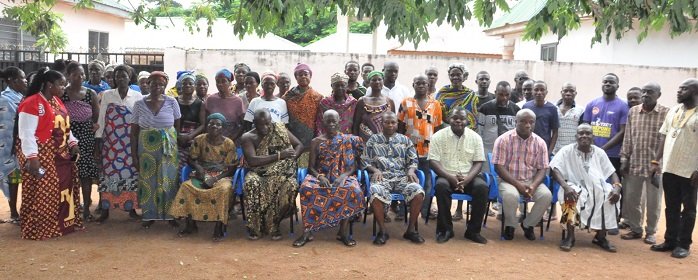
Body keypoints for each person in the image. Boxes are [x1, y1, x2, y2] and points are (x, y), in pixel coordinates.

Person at [16, 67, 82, 240]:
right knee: (44, 192)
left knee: (61, 189)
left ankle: (60, 225)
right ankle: (40, 229)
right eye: (61, 84)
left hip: (60, 155)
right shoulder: (31, 103)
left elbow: (64, 126)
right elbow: (26, 134)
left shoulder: (57, 101)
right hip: (40, 155)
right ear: (49, 84)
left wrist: (72, 142)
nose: (63, 87)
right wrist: (32, 159)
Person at [293, 110, 365, 247]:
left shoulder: (347, 140)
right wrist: (320, 177)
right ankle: (307, 232)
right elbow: (311, 168)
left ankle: (342, 232)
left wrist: (342, 177)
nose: (331, 124)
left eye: (334, 121)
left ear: (339, 122)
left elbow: (352, 167)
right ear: (323, 122)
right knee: (306, 189)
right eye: (328, 121)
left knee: (353, 190)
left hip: (343, 176)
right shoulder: (316, 141)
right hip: (321, 176)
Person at [550, 124, 622, 252]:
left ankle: (600, 237)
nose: (584, 135)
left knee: (609, 195)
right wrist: (565, 187)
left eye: (588, 133)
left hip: (597, 186)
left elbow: (612, 173)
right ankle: (570, 237)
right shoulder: (566, 150)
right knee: (570, 196)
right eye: (581, 133)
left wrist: (617, 187)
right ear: (576, 136)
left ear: (592, 136)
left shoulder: (599, 152)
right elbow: (555, 169)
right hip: (572, 185)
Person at [170, 113, 238, 241]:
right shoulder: (199, 139)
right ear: (207, 126)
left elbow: (232, 169)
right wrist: (199, 168)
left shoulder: (229, 143)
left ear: (223, 127)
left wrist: (215, 179)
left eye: (218, 124)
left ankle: (219, 225)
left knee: (223, 190)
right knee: (186, 187)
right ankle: (190, 224)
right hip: (202, 173)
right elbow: (191, 159)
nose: (214, 126)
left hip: (222, 175)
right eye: (211, 123)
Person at [650, 78, 698, 259]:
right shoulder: (674, 110)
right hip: (670, 167)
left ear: (694, 92)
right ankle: (670, 240)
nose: (678, 92)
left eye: (683, 89)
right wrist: (656, 162)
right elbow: (663, 136)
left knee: (689, 209)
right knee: (671, 207)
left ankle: (683, 244)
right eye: (678, 88)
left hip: (690, 171)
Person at [240, 109, 303, 240]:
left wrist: (290, 158)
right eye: (261, 124)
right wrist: (280, 155)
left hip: (281, 172)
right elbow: (252, 160)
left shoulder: (279, 129)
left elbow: (299, 145)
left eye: (268, 123)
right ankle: (255, 226)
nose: (266, 128)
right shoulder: (248, 137)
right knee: (251, 182)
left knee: (291, 186)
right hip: (259, 172)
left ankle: (274, 222)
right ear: (254, 123)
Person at [363, 111, 425, 245]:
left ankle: (410, 230)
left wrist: (411, 170)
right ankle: (383, 231)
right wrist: (375, 169)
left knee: (418, 192)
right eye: (387, 122)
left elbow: (413, 160)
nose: (390, 125)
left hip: (402, 177)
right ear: (381, 123)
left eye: (393, 122)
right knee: (375, 191)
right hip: (382, 177)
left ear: (397, 124)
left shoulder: (405, 140)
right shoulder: (373, 140)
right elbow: (365, 161)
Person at [430, 108, 489, 244]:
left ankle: (473, 231)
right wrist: (450, 177)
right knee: (441, 186)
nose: (458, 121)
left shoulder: (475, 138)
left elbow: (478, 163)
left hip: (469, 176)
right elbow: (433, 161)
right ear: (449, 119)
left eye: (462, 118)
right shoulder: (438, 136)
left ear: (467, 121)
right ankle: (445, 230)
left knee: (482, 188)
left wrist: (467, 179)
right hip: (446, 174)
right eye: (455, 118)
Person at [619, 82, 669, 245]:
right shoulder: (633, 111)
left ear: (658, 95)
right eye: (644, 92)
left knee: (654, 201)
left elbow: (667, 140)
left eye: (650, 92)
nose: (646, 95)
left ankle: (651, 231)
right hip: (634, 162)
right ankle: (636, 228)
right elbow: (628, 137)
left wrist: (660, 162)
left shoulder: (665, 113)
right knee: (632, 199)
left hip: (656, 166)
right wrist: (624, 158)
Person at [130, 71, 181, 228]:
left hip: (168, 148)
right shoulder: (139, 104)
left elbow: (176, 126)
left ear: (165, 85)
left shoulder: (172, 102)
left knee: (169, 179)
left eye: (161, 84)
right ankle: (149, 215)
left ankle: (171, 215)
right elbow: (133, 132)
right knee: (148, 180)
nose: (157, 86)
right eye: (153, 83)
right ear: (147, 84)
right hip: (146, 147)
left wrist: (172, 142)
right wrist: (134, 156)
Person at [492, 109, 552, 241]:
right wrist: (518, 184)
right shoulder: (503, 140)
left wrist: (534, 185)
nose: (528, 125)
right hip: (508, 180)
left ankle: (528, 224)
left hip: (531, 180)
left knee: (546, 196)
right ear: (515, 122)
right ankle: (510, 225)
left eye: (531, 122)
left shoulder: (540, 143)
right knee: (510, 195)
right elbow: (498, 167)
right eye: (523, 121)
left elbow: (542, 169)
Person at [95, 64, 142, 222]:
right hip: (111, 144)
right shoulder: (107, 95)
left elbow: (139, 121)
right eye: (117, 76)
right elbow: (102, 118)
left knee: (130, 176)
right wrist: (98, 141)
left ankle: (131, 209)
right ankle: (106, 209)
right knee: (108, 175)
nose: (120, 79)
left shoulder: (137, 96)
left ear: (130, 77)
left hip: (129, 144)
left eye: (123, 76)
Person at [398, 74, 443, 219]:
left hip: (428, 152)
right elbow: (400, 127)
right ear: (413, 85)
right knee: (406, 180)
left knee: (428, 182)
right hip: (408, 151)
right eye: (418, 83)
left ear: (428, 86)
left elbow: (437, 129)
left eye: (424, 83)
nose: (421, 85)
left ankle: (424, 211)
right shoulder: (406, 103)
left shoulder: (435, 104)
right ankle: (402, 211)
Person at [62, 61, 100, 222]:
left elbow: (96, 115)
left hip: (86, 137)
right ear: (68, 76)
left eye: (82, 74)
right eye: (76, 74)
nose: (80, 77)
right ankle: (71, 208)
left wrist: (92, 127)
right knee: (69, 173)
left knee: (85, 174)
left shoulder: (90, 93)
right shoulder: (62, 93)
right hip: (67, 137)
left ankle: (85, 209)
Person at [283, 63, 323, 167]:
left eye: (306, 74)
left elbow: (319, 120)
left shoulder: (317, 97)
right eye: (300, 75)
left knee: (307, 168)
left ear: (310, 76)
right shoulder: (288, 97)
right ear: (296, 77)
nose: (303, 77)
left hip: (310, 138)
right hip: (292, 137)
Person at [0, 67, 27, 224]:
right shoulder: (4, 99)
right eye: (22, 78)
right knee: (11, 179)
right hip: (7, 146)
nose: (25, 81)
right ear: (12, 80)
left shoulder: (20, 97)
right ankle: (13, 212)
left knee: (16, 179)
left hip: (19, 145)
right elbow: (6, 125)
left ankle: (17, 211)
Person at [477, 81, 519, 165]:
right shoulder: (485, 108)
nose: (504, 98)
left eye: (507, 95)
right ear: (495, 93)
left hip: (509, 152)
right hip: (488, 151)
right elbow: (479, 131)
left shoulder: (516, 109)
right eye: (501, 95)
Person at [199, 69, 245, 141]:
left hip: (231, 139)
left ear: (230, 83)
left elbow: (243, 125)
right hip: (212, 139)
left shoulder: (238, 101)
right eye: (218, 81)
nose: (220, 84)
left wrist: (231, 139)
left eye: (224, 81)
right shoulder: (210, 99)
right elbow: (205, 123)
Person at [354, 71, 395, 142]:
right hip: (365, 142)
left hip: (385, 142)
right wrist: (356, 142)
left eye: (379, 79)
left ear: (383, 81)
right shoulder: (362, 101)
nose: (377, 82)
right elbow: (356, 124)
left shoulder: (389, 101)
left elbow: (394, 124)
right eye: (374, 80)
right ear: (369, 83)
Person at [435, 63, 478, 130]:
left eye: (458, 75)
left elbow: (473, 117)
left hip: (466, 130)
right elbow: (437, 115)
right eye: (452, 75)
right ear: (449, 76)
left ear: (464, 76)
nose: (455, 77)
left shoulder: (471, 94)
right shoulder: (442, 93)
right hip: (446, 130)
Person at [176, 73, 204, 170]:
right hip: (176, 138)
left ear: (194, 86)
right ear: (180, 86)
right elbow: (171, 122)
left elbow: (203, 124)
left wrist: (189, 136)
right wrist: (178, 136)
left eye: (190, 83)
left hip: (192, 138)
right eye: (184, 83)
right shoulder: (174, 101)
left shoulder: (200, 103)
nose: (187, 85)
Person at [523, 81, 559, 154]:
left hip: (544, 148)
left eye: (542, 90)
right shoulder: (526, 106)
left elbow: (555, 132)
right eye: (536, 90)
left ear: (546, 92)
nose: (539, 92)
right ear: (532, 91)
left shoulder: (552, 108)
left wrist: (549, 151)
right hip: (527, 147)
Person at [553, 82, 585, 154]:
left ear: (575, 93)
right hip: (554, 151)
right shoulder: (552, 108)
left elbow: (581, 132)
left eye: (571, 91)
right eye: (565, 91)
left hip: (573, 151)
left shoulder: (581, 110)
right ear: (561, 92)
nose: (568, 93)